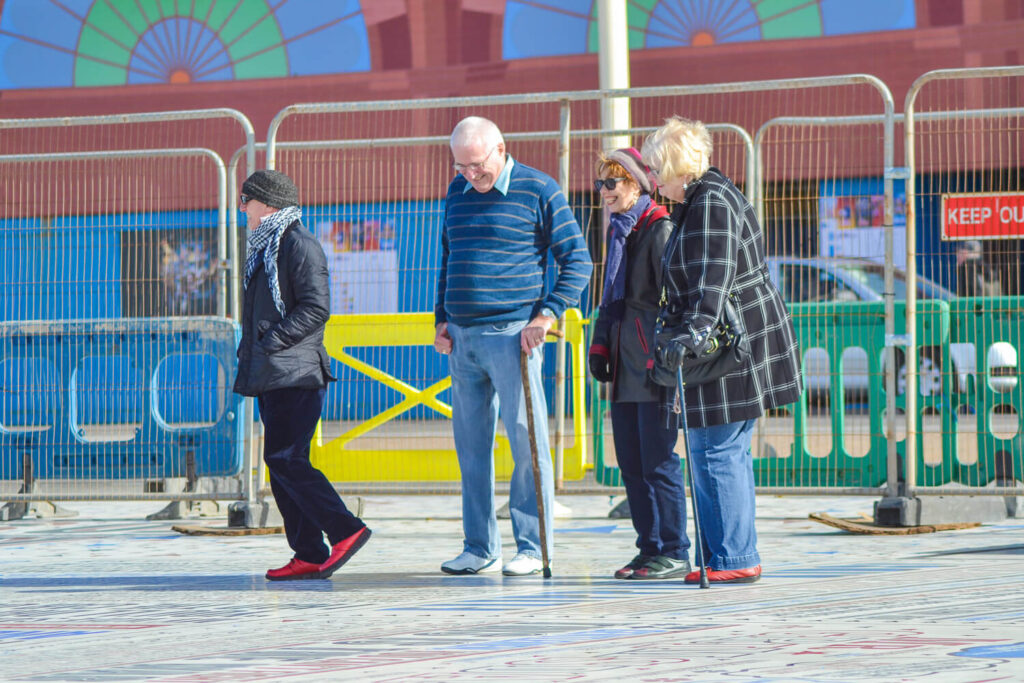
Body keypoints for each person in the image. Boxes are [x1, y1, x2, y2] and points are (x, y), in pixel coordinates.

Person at [641, 117, 802, 584]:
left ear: (676, 166)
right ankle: (727, 555)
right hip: (731, 340)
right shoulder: (702, 198)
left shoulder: (710, 201)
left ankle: (733, 558)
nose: (653, 179)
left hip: (728, 345)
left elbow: (714, 278)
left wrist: (692, 337)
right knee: (715, 448)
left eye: (656, 169)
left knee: (715, 450)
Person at [434, 116, 593, 576]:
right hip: (461, 337)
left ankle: (532, 547)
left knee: (527, 444)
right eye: (461, 166)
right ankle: (480, 547)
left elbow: (577, 260)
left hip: (513, 336)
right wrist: (440, 319)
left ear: (502, 149)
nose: (469, 175)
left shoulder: (539, 190)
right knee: (470, 447)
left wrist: (546, 315)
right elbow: (448, 257)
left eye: (477, 165)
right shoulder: (456, 192)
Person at [234, 169, 370, 581]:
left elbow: (315, 308)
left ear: (268, 204)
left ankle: (347, 529)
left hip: (296, 372)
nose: (242, 208)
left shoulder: (298, 245)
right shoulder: (266, 247)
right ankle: (308, 552)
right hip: (274, 373)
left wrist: (271, 341)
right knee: (280, 462)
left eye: (246, 200)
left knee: (287, 458)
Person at [587, 148, 691, 580]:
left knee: (659, 462)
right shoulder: (620, 233)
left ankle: (674, 548)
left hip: (654, 364)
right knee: (630, 464)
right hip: (625, 364)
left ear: (637, 185)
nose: (605, 192)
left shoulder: (658, 228)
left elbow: (676, 299)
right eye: (601, 184)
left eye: (613, 183)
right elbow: (610, 300)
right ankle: (648, 547)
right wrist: (600, 344)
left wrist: (667, 352)